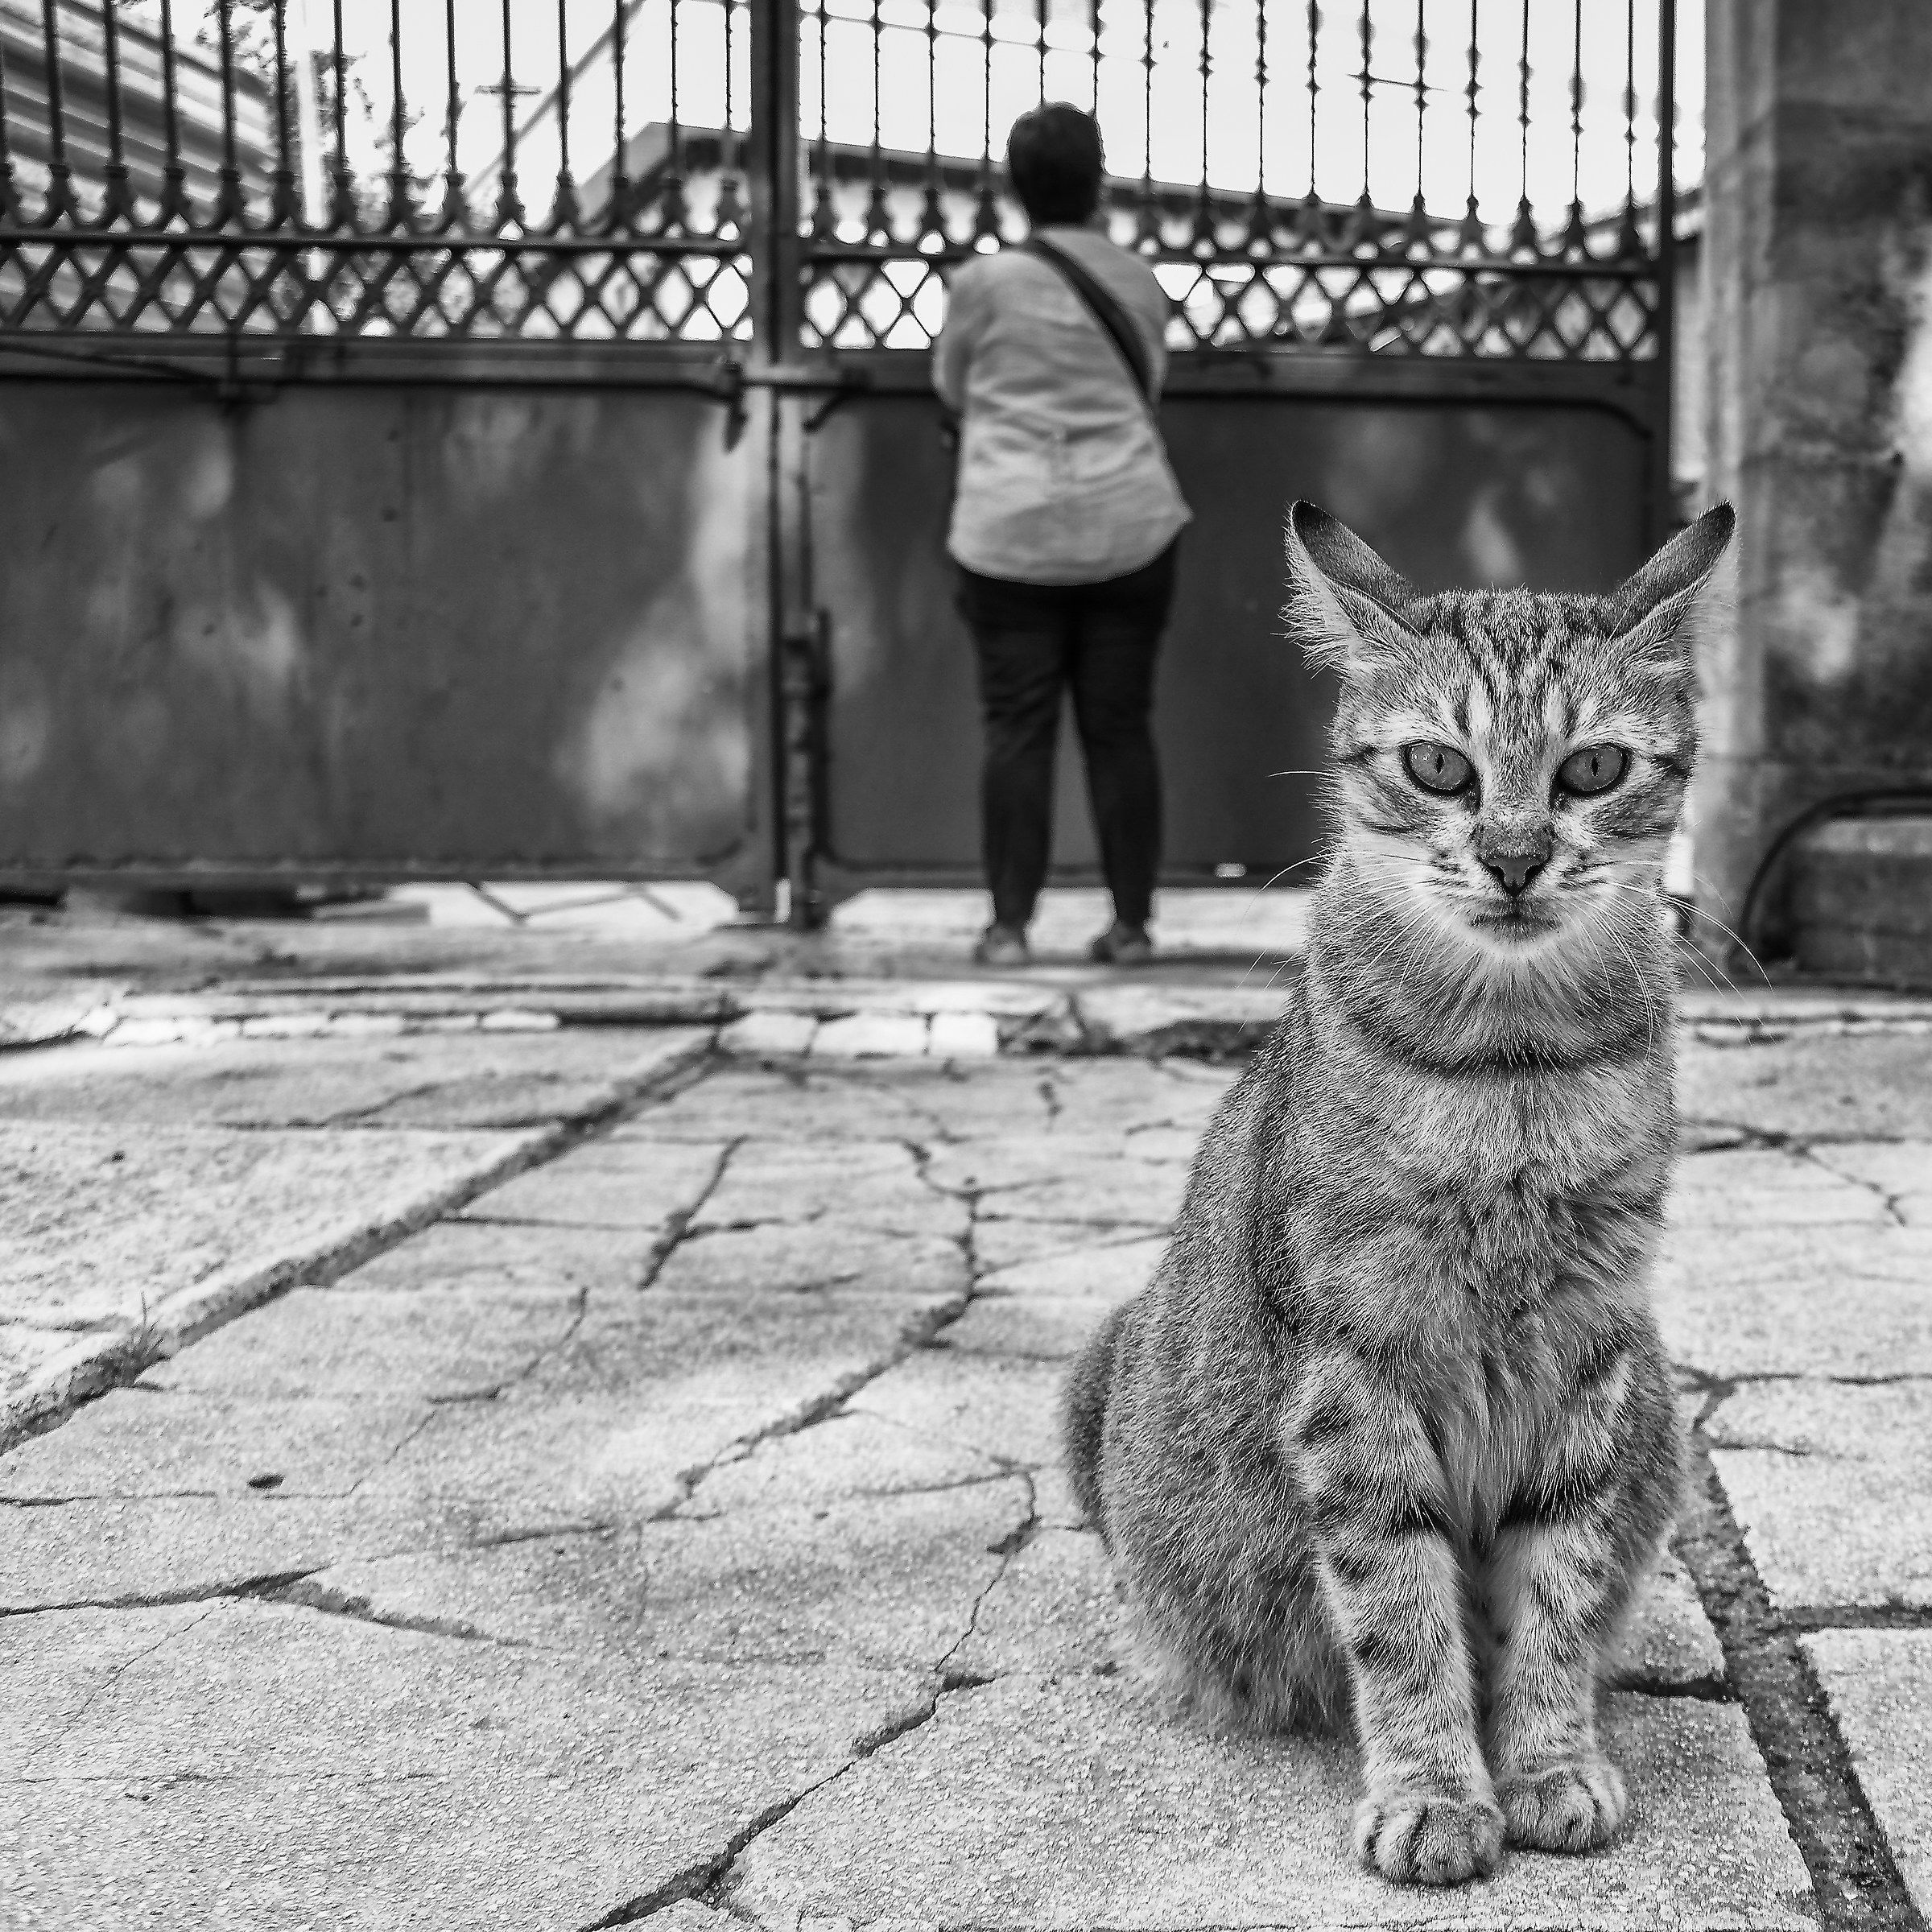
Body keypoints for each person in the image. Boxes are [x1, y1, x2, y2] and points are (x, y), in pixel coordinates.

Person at [933, 103, 1191, 968]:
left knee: (1016, 729)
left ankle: (1008, 929)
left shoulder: (983, 285)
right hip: (1132, 525)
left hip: (1008, 534)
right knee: (1121, 728)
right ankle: (1132, 926)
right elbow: (1149, 381)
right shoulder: (1140, 280)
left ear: (1014, 186)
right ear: (1099, 179)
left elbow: (954, 389)